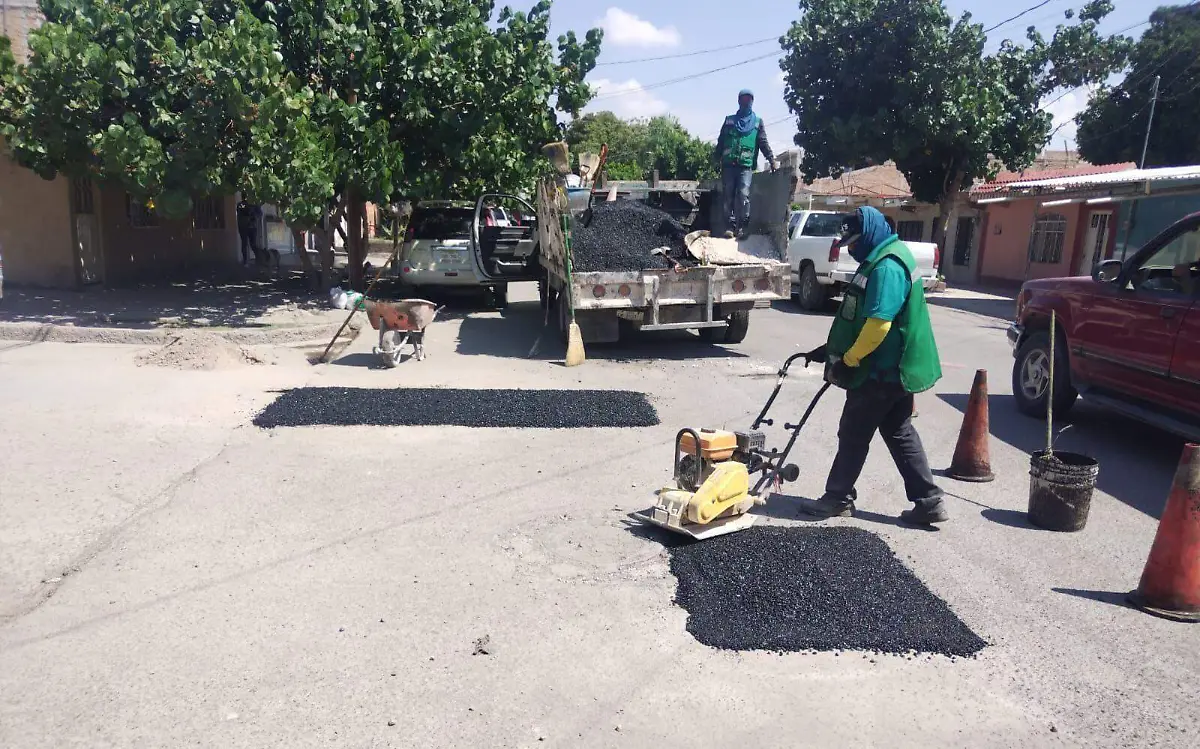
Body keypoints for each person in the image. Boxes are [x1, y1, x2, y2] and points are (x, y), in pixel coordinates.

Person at [802, 206, 947, 526]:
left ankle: (838, 497)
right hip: (891, 369)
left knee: (853, 432)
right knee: (899, 430)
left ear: (869, 234)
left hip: (879, 370)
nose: (852, 248)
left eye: (855, 242)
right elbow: (861, 318)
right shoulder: (884, 256)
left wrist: (849, 360)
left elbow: (879, 325)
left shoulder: (887, 267)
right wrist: (831, 350)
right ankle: (929, 501)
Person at [715, 89, 776, 238]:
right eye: (743, 99)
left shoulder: (757, 123)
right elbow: (721, 141)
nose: (746, 102)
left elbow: (763, 142)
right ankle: (729, 227)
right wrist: (716, 159)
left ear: (752, 102)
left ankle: (742, 227)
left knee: (743, 195)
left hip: (745, 166)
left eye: (748, 100)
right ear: (738, 101)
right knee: (728, 195)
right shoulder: (729, 121)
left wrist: (771, 160)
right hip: (729, 166)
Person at [236, 198, 264, 266]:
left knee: (253, 244)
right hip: (244, 227)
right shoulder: (241, 204)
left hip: (252, 227)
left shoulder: (255, 204)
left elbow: (260, 214)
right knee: (244, 244)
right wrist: (249, 214)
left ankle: (258, 259)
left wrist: (254, 215)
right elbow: (240, 212)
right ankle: (245, 261)